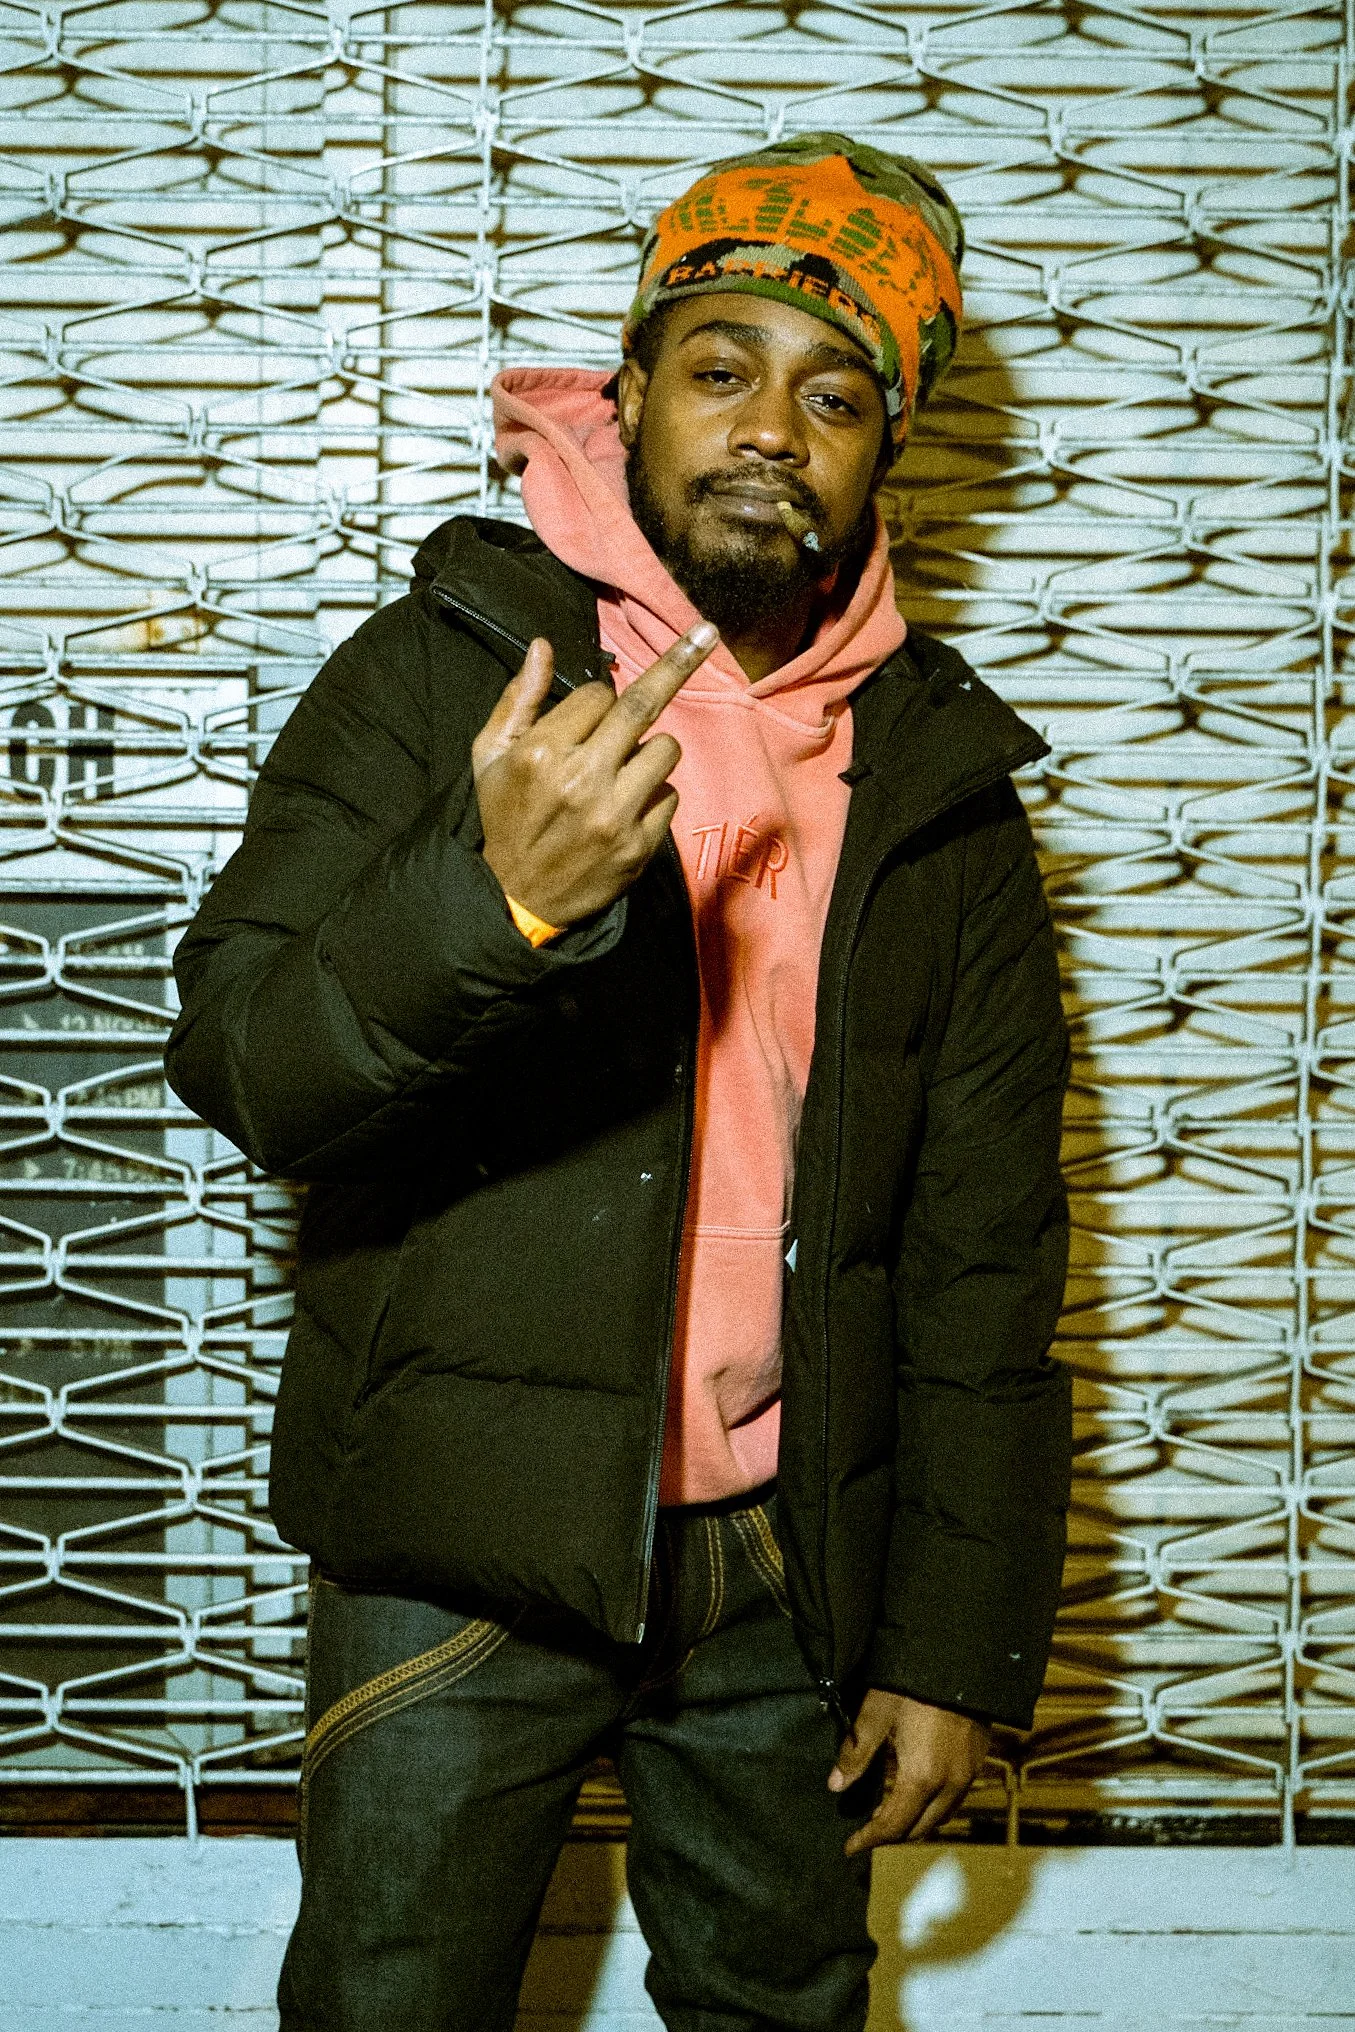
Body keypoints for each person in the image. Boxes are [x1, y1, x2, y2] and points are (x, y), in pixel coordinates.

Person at [165, 133, 1072, 2032]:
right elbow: (249, 1066)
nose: (770, 431)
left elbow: (985, 1251)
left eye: (834, 397)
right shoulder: (443, 673)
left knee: (784, 2008)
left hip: (790, 1551)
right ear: (629, 389)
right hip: (457, 1546)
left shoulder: (938, 782)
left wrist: (955, 1640)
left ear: (885, 449)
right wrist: (488, 904)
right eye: (720, 367)